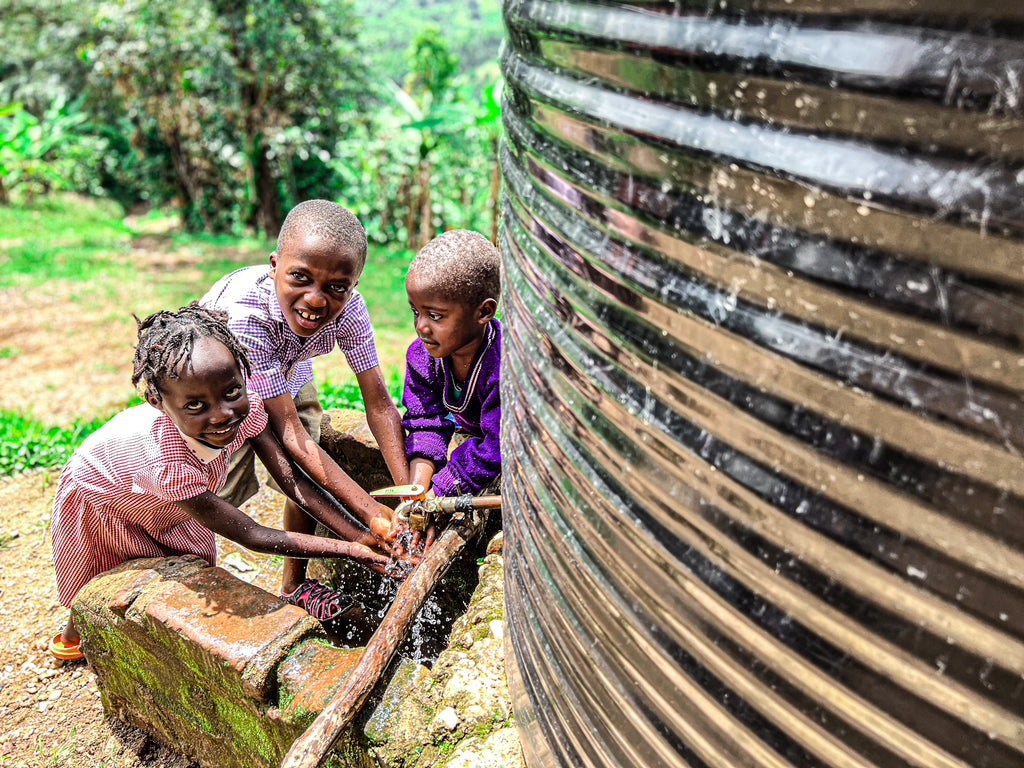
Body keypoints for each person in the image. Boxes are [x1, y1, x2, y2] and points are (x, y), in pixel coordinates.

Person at [49, 305, 390, 662]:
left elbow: (293, 483)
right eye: (196, 405)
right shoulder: (169, 462)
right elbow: (251, 535)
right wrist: (350, 550)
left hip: (164, 502)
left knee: (187, 561)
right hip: (101, 497)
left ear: (243, 376)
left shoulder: (247, 411)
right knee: (99, 574)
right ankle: (73, 639)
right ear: (157, 402)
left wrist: (361, 534)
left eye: (231, 393)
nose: (222, 415)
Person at [200, 200, 409, 607]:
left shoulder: (350, 312)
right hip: (221, 389)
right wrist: (372, 516)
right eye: (300, 277)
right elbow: (289, 434)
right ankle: (177, 572)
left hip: (289, 372)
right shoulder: (246, 311)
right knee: (213, 490)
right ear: (274, 265)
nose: (316, 300)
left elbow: (380, 404)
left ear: (353, 287)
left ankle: (295, 585)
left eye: (336, 287)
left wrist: (407, 497)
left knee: (309, 470)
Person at [401, 230, 501, 550]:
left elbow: (497, 445)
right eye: (415, 312)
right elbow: (425, 421)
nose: (421, 327)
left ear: (484, 312)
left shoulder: (503, 369)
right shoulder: (423, 357)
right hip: (481, 439)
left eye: (435, 316)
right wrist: (418, 495)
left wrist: (444, 487)